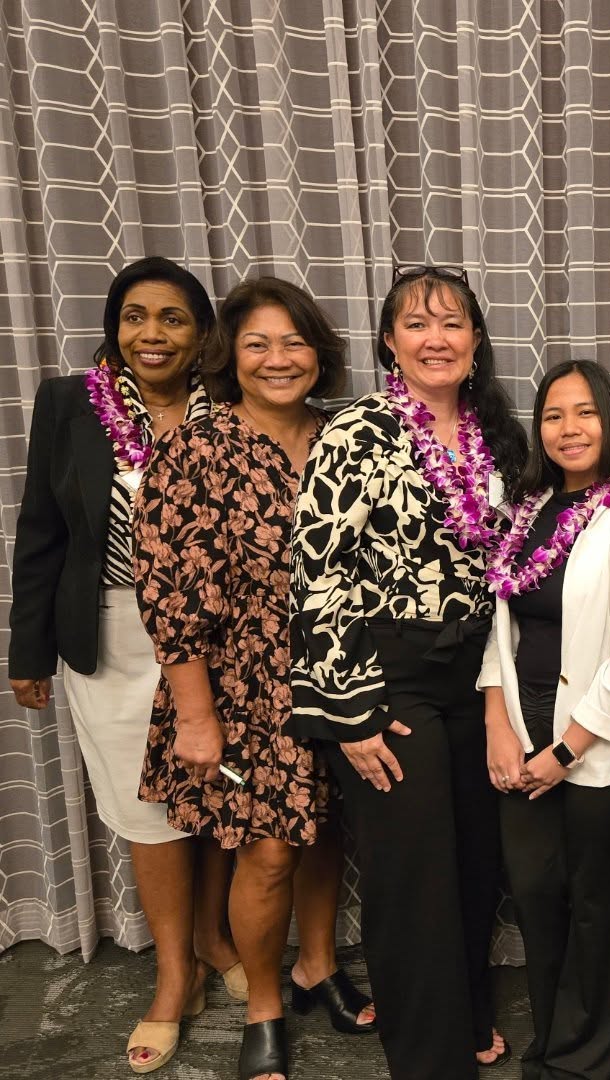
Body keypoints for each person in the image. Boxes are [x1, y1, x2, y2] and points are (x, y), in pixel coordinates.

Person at [5, 256, 250, 1075]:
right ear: (115, 326)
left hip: (218, 638)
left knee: (214, 795)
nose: (153, 334)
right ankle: (174, 975)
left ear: (201, 333)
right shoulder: (67, 405)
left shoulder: (231, 409)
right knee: (147, 809)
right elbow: (42, 531)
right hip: (109, 633)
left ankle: (216, 938)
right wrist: (29, 647)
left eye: (173, 318)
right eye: (136, 316)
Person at [290, 266, 528, 1080]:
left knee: (470, 860)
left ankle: (462, 1017)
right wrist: (348, 711)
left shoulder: (495, 432)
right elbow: (316, 570)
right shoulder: (357, 430)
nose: (437, 339)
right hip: (388, 674)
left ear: (474, 339)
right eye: (417, 325)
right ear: (389, 342)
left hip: (476, 670)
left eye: (453, 323)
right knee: (411, 873)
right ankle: (429, 1062)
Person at [135, 276, 370, 1080]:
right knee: (269, 850)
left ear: (320, 354)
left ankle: (318, 964)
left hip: (343, 675)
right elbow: (167, 595)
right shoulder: (193, 451)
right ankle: (265, 1001)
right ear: (227, 356)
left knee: (327, 828)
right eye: (257, 343)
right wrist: (197, 718)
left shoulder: (347, 436)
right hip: (243, 689)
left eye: (294, 342)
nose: (279, 359)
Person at [480, 359, 610, 1080]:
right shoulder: (523, 514)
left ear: (609, 422)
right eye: (554, 414)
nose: (568, 428)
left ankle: (585, 1053)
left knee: (591, 901)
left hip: (595, 754)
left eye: (584, 412)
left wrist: (566, 750)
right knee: (533, 893)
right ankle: (551, 1031)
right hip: (518, 738)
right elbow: (495, 631)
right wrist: (499, 724)